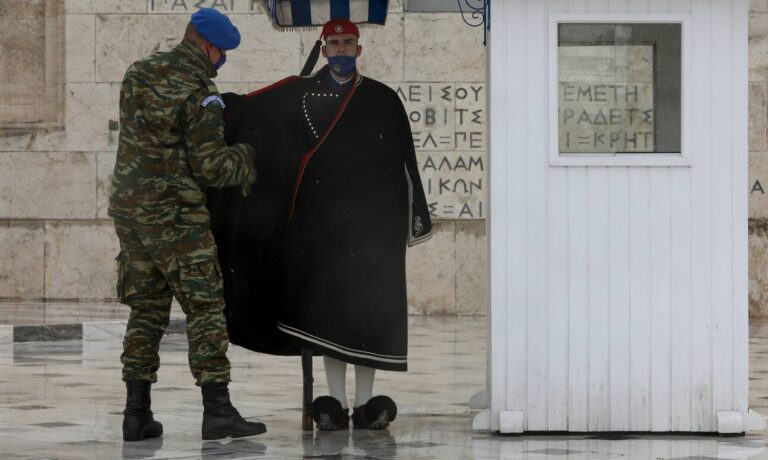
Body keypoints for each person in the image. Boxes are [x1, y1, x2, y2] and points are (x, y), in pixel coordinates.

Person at [209, 18, 432, 432]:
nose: (341, 50)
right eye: (334, 43)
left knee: (368, 314)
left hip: (372, 229)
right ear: (323, 47)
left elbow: (405, 163)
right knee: (328, 317)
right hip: (320, 229)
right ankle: (333, 401)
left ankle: (366, 403)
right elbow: (257, 112)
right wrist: (223, 106)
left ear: (359, 49)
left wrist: (410, 218)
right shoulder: (301, 93)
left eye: (348, 43)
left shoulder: (383, 99)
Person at [108, 8, 265, 442]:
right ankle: (218, 411)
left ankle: (136, 414)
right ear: (207, 45)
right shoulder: (200, 92)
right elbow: (212, 167)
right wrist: (246, 156)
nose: (222, 61)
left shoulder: (138, 72)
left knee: (147, 310)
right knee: (205, 307)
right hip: (174, 214)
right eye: (221, 52)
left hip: (130, 210)